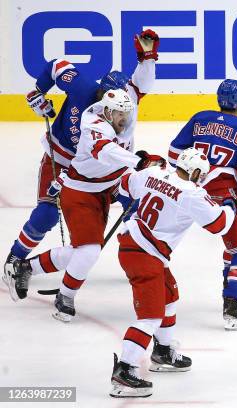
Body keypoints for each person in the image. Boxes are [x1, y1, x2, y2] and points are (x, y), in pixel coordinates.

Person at [3, 29, 160, 283]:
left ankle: (137, 255)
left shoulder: (127, 100)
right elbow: (57, 66)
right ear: (102, 93)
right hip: (66, 163)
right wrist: (37, 92)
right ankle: (15, 259)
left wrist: (149, 57)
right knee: (47, 213)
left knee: (138, 205)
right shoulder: (82, 88)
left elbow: (142, 83)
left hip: (112, 170)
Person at [3, 89, 165, 322]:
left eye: (126, 114)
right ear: (108, 111)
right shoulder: (93, 125)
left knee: (81, 252)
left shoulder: (116, 119)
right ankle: (65, 297)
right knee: (89, 251)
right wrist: (139, 161)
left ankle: (25, 268)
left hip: (103, 189)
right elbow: (106, 151)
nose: (125, 119)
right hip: (80, 193)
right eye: (120, 114)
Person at [110, 148, 236, 398]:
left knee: (170, 297)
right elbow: (219, 225)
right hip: (144, 254)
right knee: (150, 316)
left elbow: (124, 184)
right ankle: (124, 372)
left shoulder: (154, 172)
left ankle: (163, 352)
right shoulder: (192, 193)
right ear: (196, 172)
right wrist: (231, 206)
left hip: (139, 246)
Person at [168, 79, 237, 330]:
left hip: (192, 192)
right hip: (225, 196)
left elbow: (174, 155)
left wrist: (200, 175)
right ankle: (233, 305)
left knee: (232, 247)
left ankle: (234, 287)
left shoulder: (200, 118)